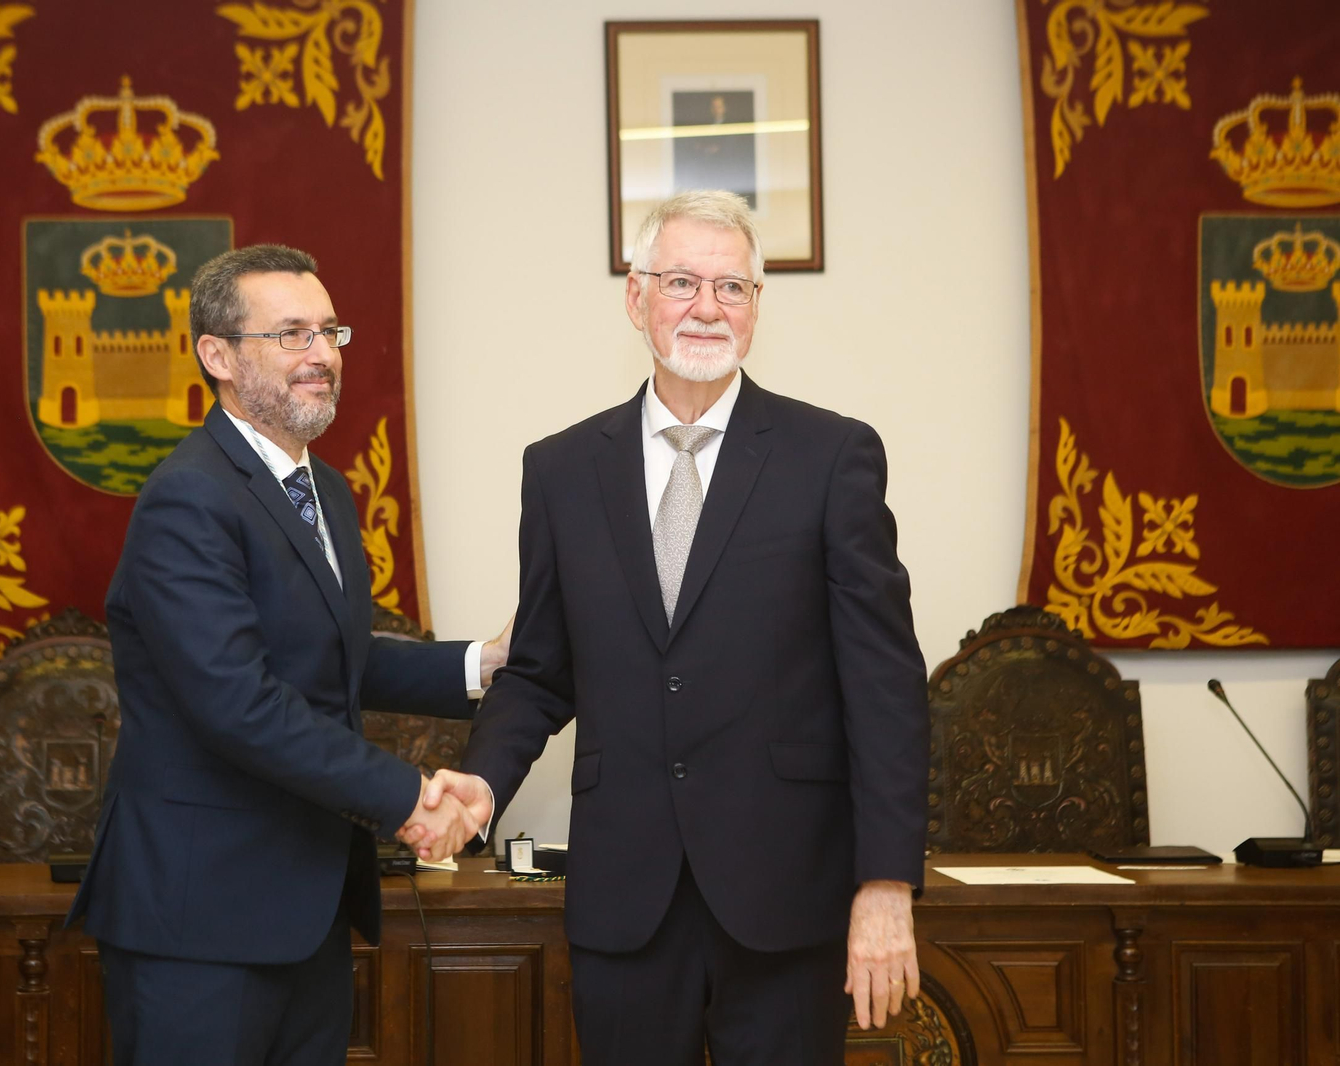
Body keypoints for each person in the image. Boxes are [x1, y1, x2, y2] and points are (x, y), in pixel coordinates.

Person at [426, 191, 929, 1063]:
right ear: (637, 297)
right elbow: (540, 669)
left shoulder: (831, 457)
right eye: (682, 282)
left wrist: (885, 882)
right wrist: (484, 782)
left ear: (757, 306)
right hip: (625, 899)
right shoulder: (560, 469)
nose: (707, 307)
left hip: (787, 899)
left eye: (732, 287)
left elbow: (883, 685)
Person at [67, 243, 506, 1066]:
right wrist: (408, 797)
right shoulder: (187, 497)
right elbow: (239, 703)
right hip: (200, 921)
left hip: (307, 906)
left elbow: (331, 658)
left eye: (330, 332)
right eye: (292, 334)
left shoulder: (324, 488)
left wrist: (483, 664)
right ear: (218, 356)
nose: (322, 355)